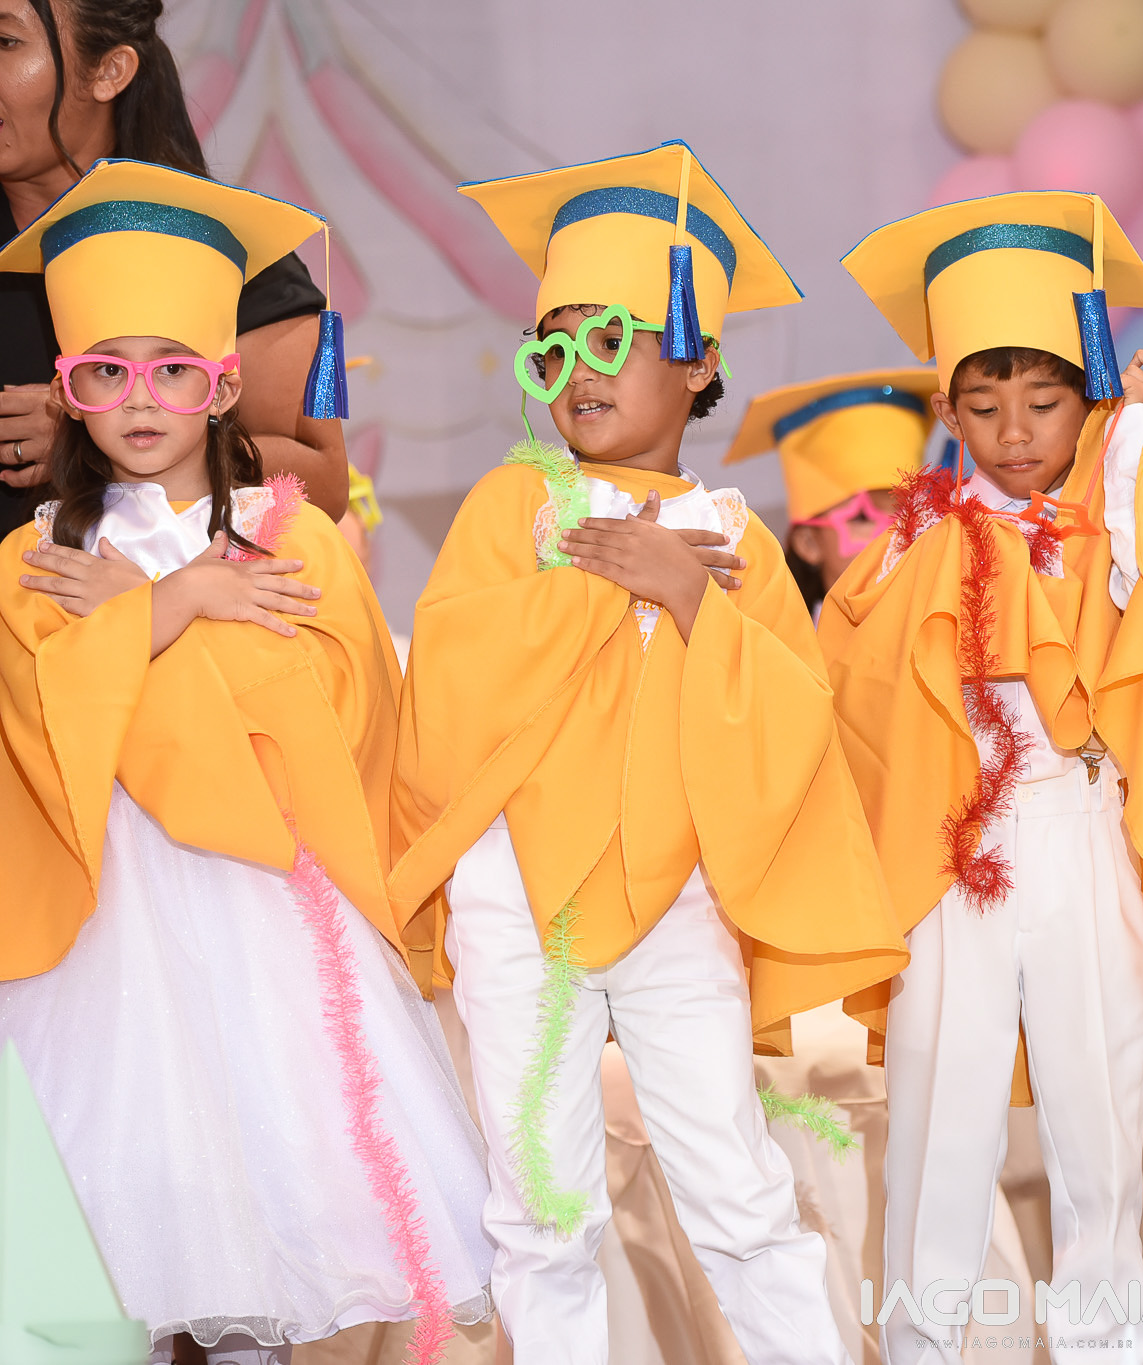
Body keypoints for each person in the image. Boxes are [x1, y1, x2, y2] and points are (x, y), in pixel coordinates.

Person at [387, 140, 909, 1365]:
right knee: (542, 1207)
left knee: (737, 1188)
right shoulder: (510, 508)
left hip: (678, 899)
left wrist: (687, 596)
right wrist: (608, 581)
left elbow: (791, 728)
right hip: (522, 899)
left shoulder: (737, 543)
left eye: (614, 340)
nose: (579, 372)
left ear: (697, 360)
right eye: (555, 347)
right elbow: (448, 683)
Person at [0, 160, 491, 1365]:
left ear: (224, 384)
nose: (142, 399)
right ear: (67, 390)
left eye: (174, 369)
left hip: (263, 906)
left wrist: (138, 628)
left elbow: (327, 726)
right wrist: (179, 606)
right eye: (106, 371)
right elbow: (45, 731)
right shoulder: (35, 557)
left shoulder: (295, 539)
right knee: (107, 1244)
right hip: (102, 917)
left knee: (267, 1225)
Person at [830, 190, 1143, 1365]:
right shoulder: (916, 541)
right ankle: (924, 1348)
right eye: (982, 403)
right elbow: (854, 675)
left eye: (1046, 400)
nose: (1013, 430)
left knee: (1096, 1119)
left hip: (1074, 827)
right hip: (952, 847)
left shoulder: (1111, 517)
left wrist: (1134, 441)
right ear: (944, 407)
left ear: (1088, 397)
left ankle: (1106, 1348)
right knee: (936, 1123)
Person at [0, 0, 348, 536]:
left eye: (5, 43)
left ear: (109, 70)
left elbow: (322, 484)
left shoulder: (220, 248)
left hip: (138, 586)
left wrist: (96, 437)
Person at [722, 366, 940, 614]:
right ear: (808, 544)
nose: (896, 536)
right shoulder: (774, 639)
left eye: (912, 515)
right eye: (862, 517)